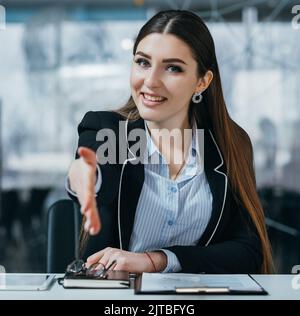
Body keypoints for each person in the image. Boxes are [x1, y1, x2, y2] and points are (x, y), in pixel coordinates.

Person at [67, 10, 273, 274]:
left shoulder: (229, 143)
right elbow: (97, 172)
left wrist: (157, 260)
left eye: (172, 68)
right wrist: (85, 174)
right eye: (142, 62)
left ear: (202, 82)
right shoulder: (110, 131)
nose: (151, 82)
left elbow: (248, 251)